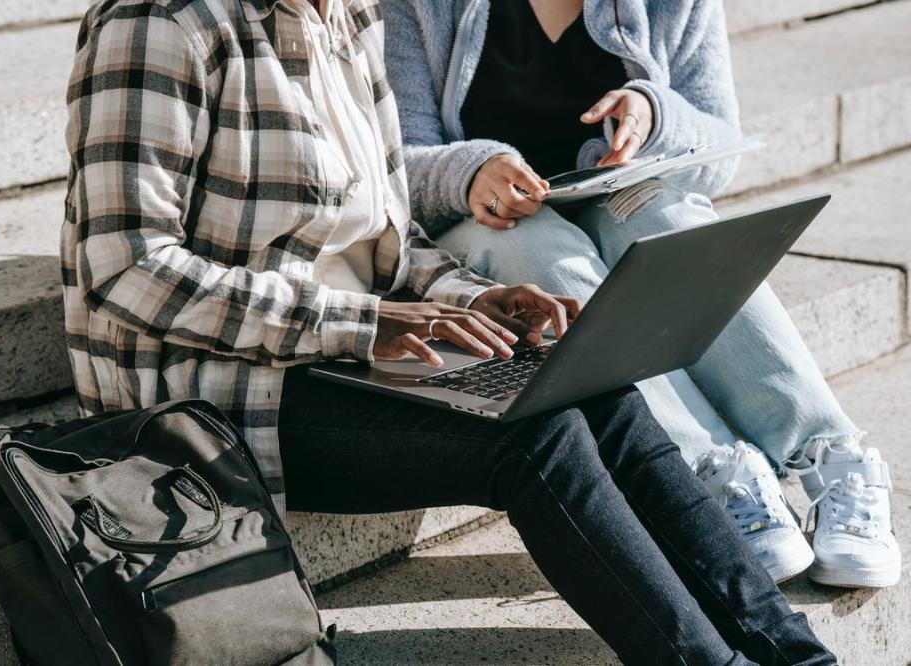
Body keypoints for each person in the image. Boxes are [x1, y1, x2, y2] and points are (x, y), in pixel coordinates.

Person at [60, 0, 838, 662]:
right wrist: (362, 323)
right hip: (214, 393)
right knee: (536, 436)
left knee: (593, 382)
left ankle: (798, 654)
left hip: (354, 347)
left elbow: (390, 240)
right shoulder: (160, 22)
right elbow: (126, 269)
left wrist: (475, 297)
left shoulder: (348, 17)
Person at [382, 0, 901, 590]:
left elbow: (718, 149)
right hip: (489, 219)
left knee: (671, 219)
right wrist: (470, 171)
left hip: (617, 193)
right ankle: (710, 469)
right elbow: (394, 163)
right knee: (540, 255)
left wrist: (656, 115)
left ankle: (832, 456)